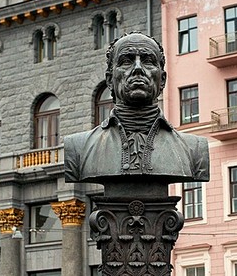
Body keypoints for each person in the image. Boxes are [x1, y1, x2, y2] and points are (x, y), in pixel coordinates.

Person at [64, 32, 209, 185]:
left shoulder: (195, 150)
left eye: (148, 61)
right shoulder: (77, 149)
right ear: (109, 80)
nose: (138, 68)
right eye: (126, 61)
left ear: (162, 80)